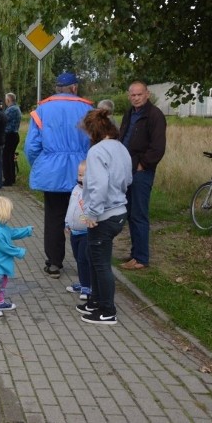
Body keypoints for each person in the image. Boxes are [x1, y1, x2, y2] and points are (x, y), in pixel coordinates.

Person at [24, 72, 93, 278]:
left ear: (57, 88)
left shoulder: (43, 109)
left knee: (54, 218)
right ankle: (85, 264)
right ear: (75, 88)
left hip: (52, 173)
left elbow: (31, 146)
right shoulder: (88, 109)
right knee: (83, 215)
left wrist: (40, 164)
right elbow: (95, 142)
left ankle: (54, 263)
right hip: (82, 171)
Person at [76, 109, 132, 325]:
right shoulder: (121, 148)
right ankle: (95, 301)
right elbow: (127, 179)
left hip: (103, 215)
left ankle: (108, 310)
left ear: (93, 132)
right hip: (119, 212)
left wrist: (91, 212)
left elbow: (99, 186)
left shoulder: (97, 152)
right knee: (94, 257)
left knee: (100, 264)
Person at [118, 81, 167, 270]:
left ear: (147, 94)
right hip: (126, 168)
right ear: (129, 96)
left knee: (139, 214)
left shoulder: (154, 115)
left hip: (141, 171)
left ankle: (141, 258)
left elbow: (158, 148)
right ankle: (135, 253)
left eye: (139, 94)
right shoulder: (129, 113)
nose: (136, 98)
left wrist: (142, 164)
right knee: (130, 212)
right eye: (132, 95)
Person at [0, 196, 33, 317]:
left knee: (3, 282)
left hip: (1, 263)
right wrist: (19, 251)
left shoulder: (3, 227)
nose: (11, 214)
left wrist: (27, 230)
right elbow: (4, 247)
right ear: (1, 213)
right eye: (9, 212)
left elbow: (12, 233)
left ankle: (0, 302)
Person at [65, 161, 91, 300]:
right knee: (77, 258)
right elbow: (71, 207)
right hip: (74, 230)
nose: (80, 178)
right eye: (79, 174)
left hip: (86, 232)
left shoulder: (91, 192)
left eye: (83, 175)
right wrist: (67, 222)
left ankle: (88, 285)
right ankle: (82, 282)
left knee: (83, 259)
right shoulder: (75, 189)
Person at [2, 92, 22, 186]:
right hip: (14, 135)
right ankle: (12, 178)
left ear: (8, 100)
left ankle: (8, 179)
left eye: (6, 100)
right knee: (10, 157)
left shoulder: (11, 110)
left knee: (6, 158)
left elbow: (3, 120)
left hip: (9, 135)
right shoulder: (16, 108)